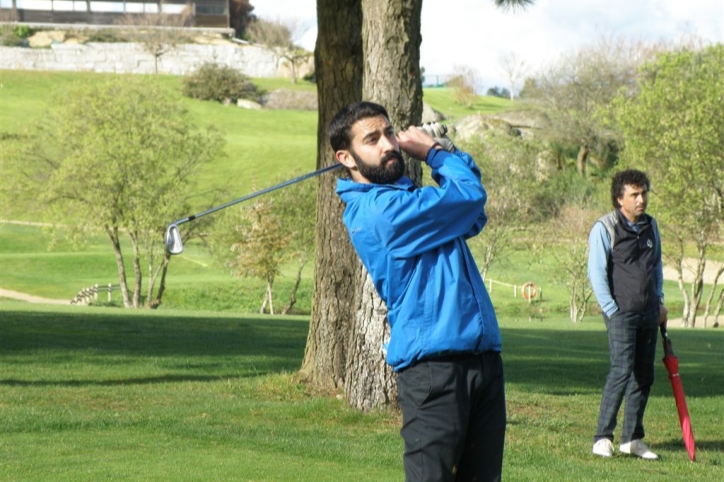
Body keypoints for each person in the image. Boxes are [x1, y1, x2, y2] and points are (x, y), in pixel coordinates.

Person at [329, 101, 505, 482]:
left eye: (389, 133)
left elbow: (473, 214)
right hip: (434, 370)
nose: (389, 144)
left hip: (483, 360)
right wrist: (435, 154)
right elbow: (469, 196)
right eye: (372, 139)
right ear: (347, 157)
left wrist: (450, 154)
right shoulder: (378, 212)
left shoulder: (409, 198)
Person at [588, 169, 668, 460]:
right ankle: (602, 438)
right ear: (620, 198)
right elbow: (596, 273)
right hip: (620, 313)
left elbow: (657, 267)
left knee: (643, 377)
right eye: (635, 194)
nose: (641, 198)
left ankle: (632, 439)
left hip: (649, 313)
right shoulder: (605, 227)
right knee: (621, 371)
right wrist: (611, 310)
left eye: (644, 192)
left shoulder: (651, 226)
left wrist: (660, 301)